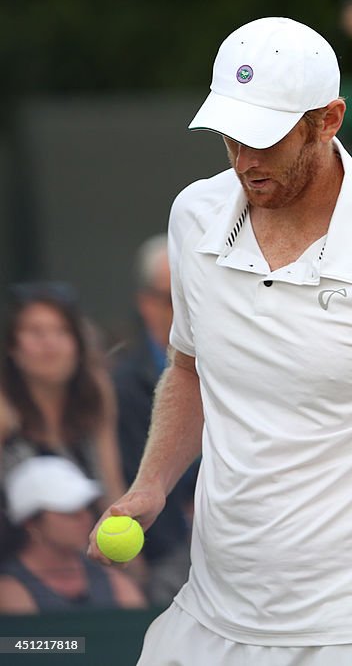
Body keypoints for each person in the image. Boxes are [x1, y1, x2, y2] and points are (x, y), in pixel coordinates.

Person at [87, 18, 352, 665]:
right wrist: (151, 485)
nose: (245, 158)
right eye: (231, 134)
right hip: (208, 617)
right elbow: (190, 369)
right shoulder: (194, 216)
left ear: (329, 119)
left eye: (267, 137)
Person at [112, 235, 194, 606]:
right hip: (167, 560)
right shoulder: (119, 387)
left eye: (194, 293)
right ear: (146, 304)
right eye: (172, 298)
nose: (188, 307)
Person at [0, 282, 125, 500]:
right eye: (35, 332)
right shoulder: (4, 408)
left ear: (78, 344)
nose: (50, 343)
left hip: (90, 530)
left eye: (62, 331)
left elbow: (112, 485)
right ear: (12, 346)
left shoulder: (95, 391)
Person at [0, 456, 145, 614]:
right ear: (31, 523)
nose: (85, 517)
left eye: (85, 506)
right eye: (69, 510)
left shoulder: (114, 581)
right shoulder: (9, 589)